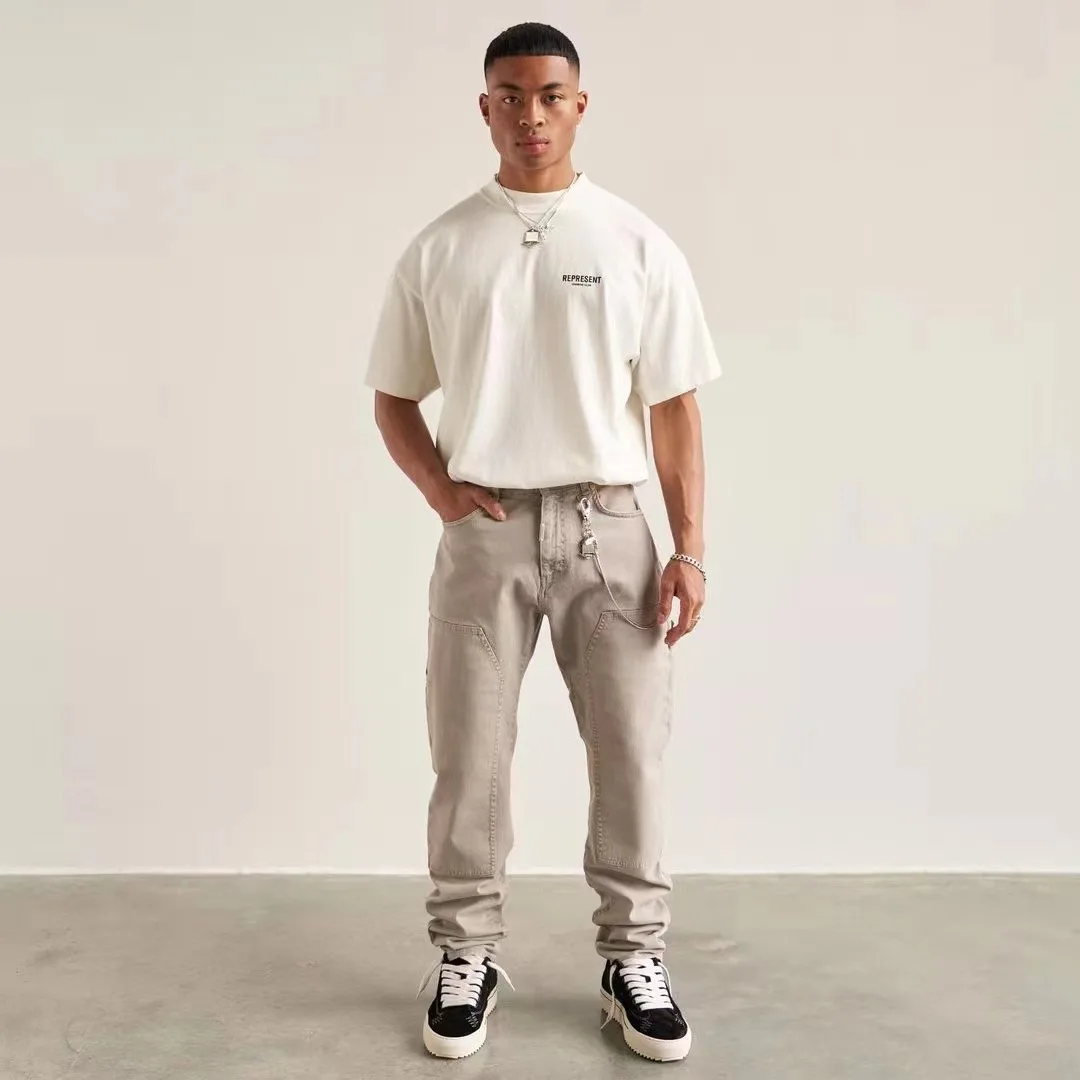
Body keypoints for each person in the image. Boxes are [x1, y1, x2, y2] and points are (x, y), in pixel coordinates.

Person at [365, 21, 721, 1064]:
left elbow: (675, 408)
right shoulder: (441, 247)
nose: (532, 115)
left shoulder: (636, 242)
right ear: (485, 108)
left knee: (632, 751)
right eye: (511, 96)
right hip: (486, 534)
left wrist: (689, 547)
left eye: (551, 95)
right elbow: (392, 396)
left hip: (612, 528)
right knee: (467, 755)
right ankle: (465, 953)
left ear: (580, 104)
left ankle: (634, 958)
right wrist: (442, 494)